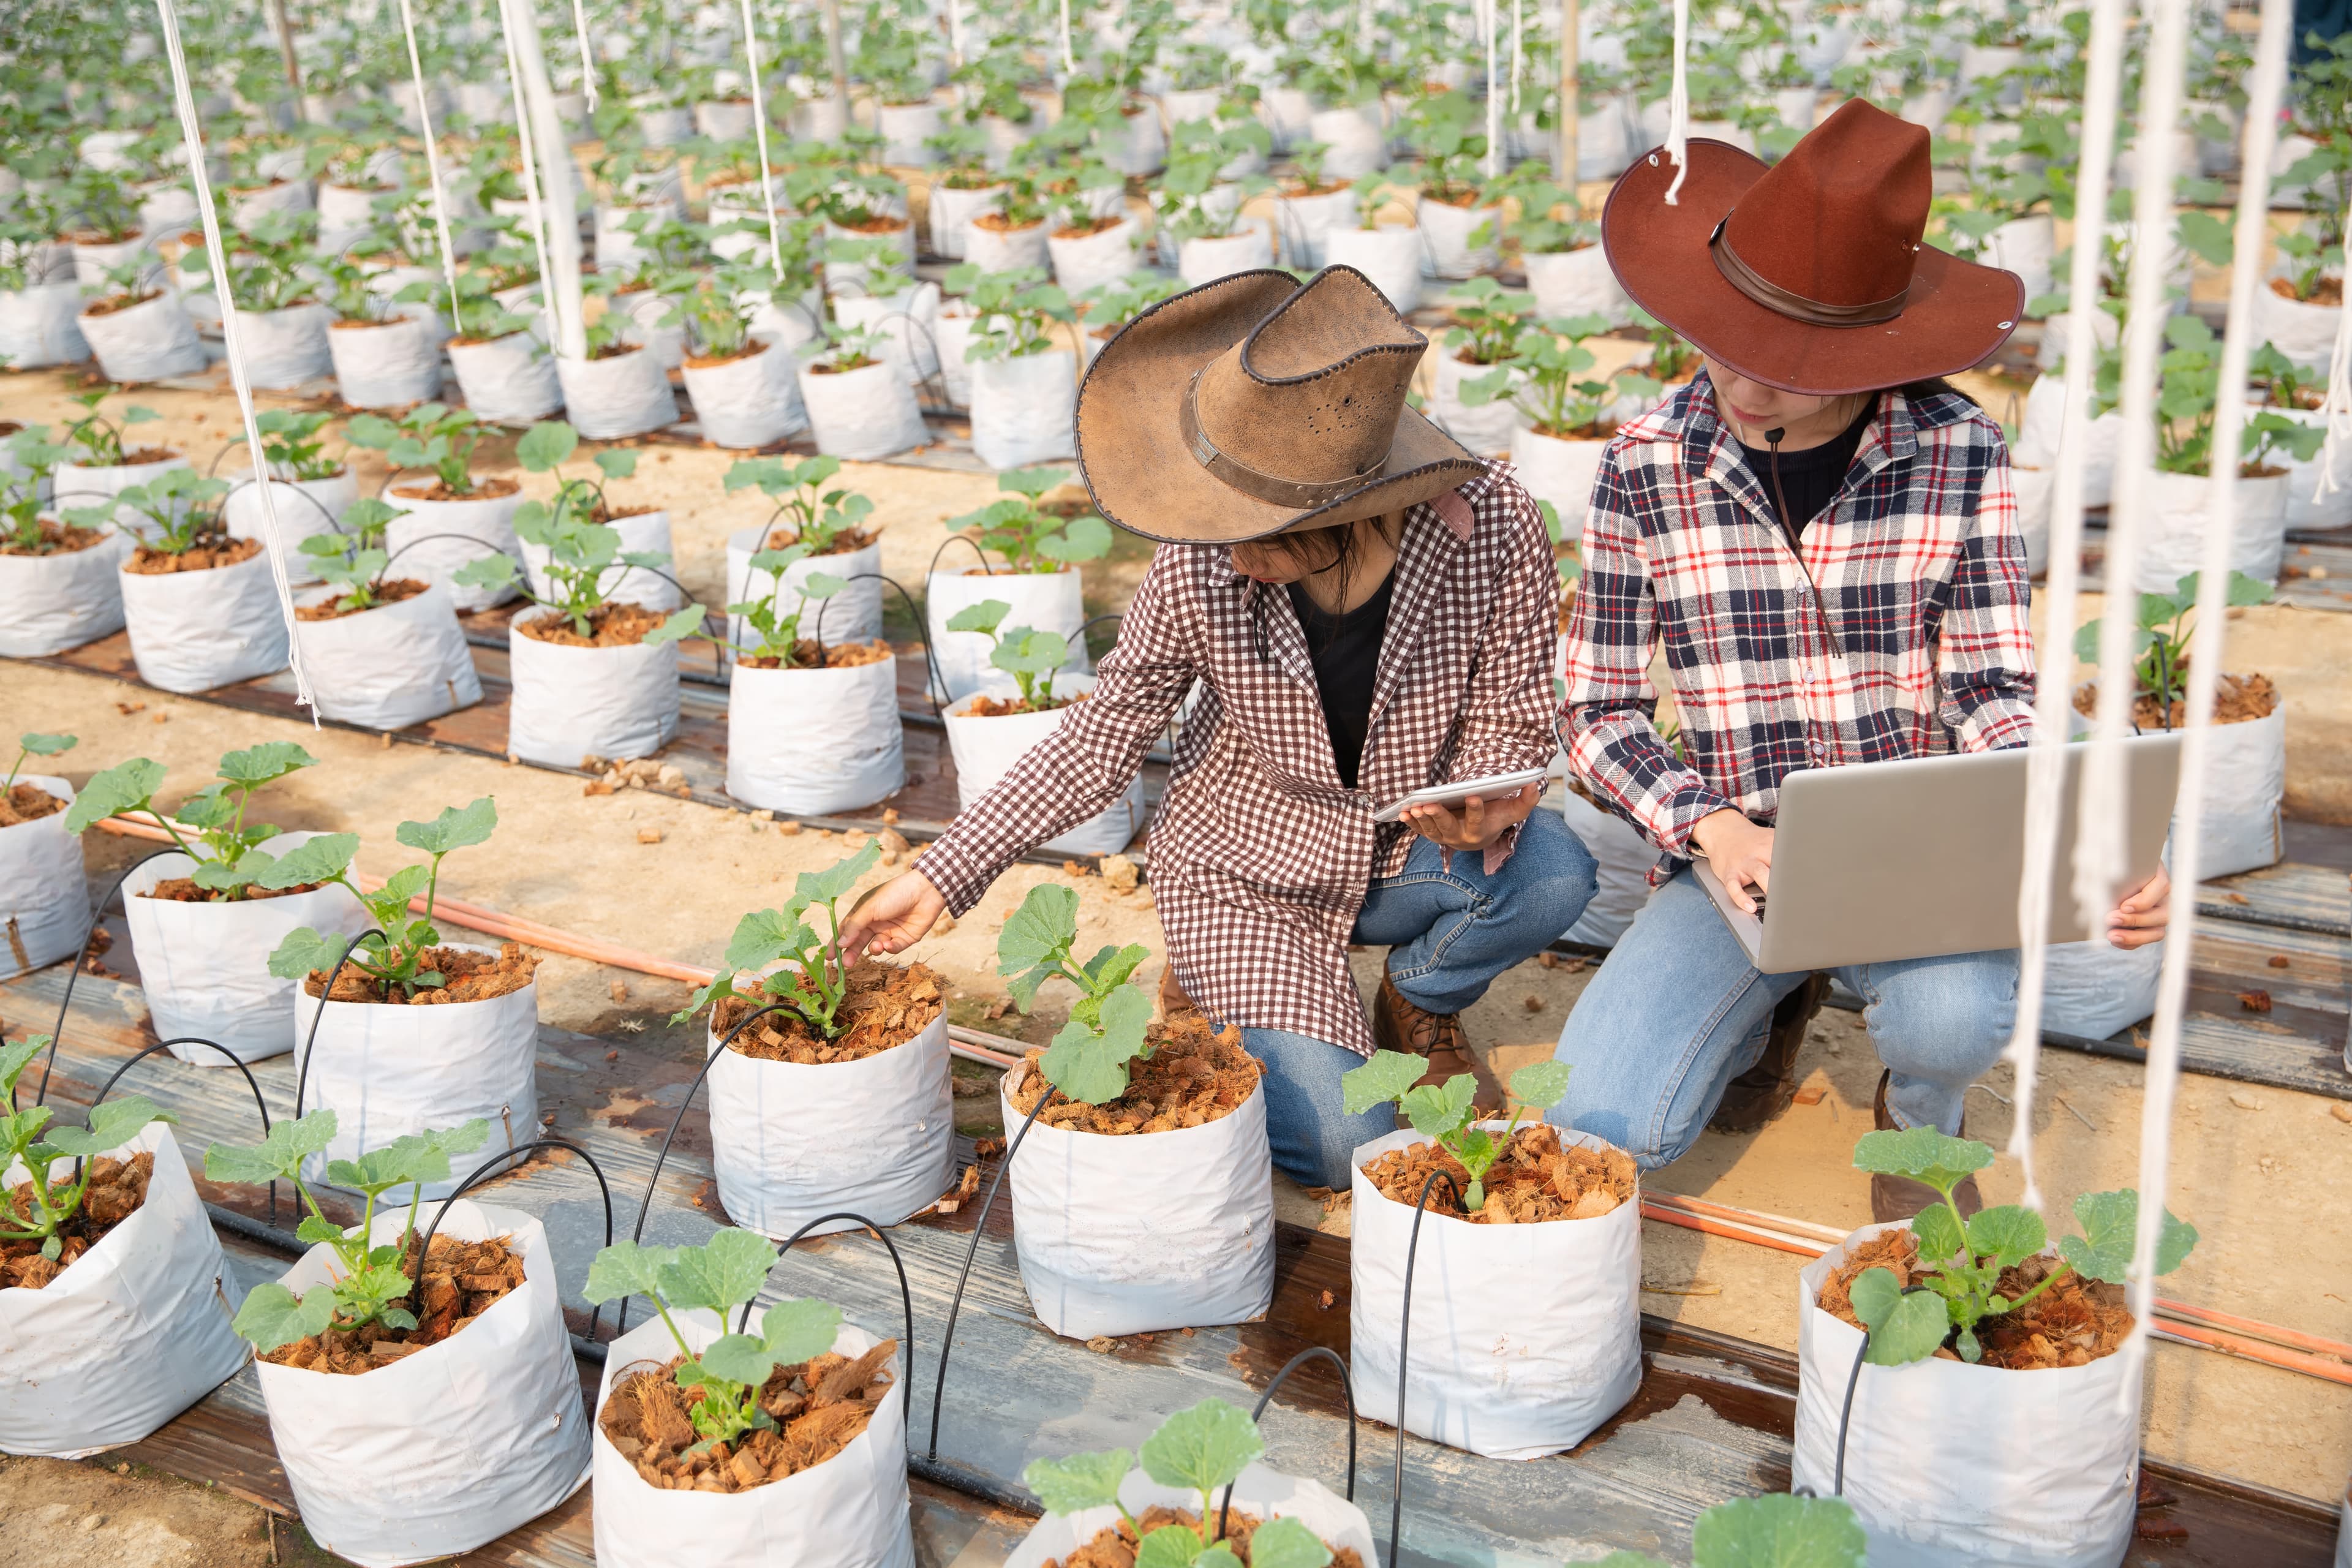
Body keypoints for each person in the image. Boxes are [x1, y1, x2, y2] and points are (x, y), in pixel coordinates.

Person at [841, 264, 1597, 1189]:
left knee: (1556, 870)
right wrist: (944, 871)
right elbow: (1103, 734)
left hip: (1404, 850)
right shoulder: (1200, 564)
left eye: (1262, 533)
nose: (1227, 549)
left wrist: (1487, 800)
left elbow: (1511, 710)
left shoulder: (1492, 527)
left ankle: (1419, 998)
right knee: (1338, 1146)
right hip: (1251, 873)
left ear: (1357, 510)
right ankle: (1216, 978)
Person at [1545, 99, 2169, 1220]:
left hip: (1909, 846)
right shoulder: (1645, 464)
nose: (1743, 383)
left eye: (1788, 364)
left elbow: (1987, 685)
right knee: (1606, 1120)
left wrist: (2083, 830)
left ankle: (1918, 1115)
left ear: (1873, 349)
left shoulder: (1958, 450)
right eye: (1722, 342)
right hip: (1739, 847)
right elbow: (1598, 711)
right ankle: (1769, 999)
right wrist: (1710, 827)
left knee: (1952, 1020)